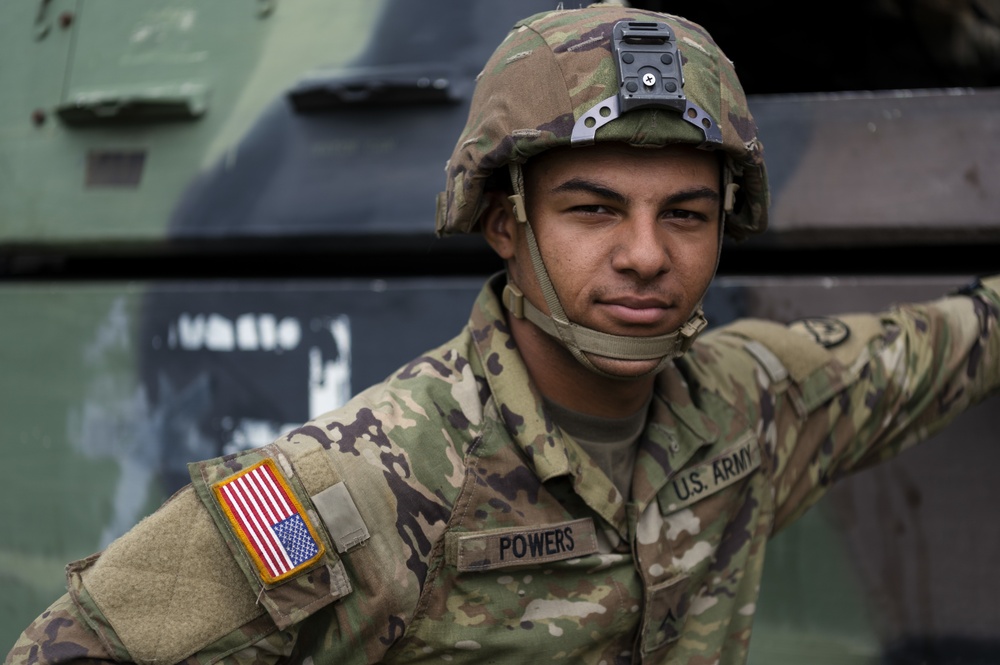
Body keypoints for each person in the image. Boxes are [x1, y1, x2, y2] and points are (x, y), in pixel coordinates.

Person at [6, 4, 999, 664]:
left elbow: (950, 343)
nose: (647, 254)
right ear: (504, 222)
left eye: (686, 214)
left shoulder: (759, 400)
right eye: (594, 209)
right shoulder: (365, 482)